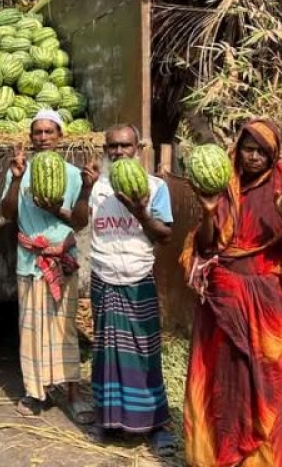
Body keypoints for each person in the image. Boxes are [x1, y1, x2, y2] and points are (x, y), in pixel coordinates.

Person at [180, 118, 282, 467]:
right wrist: (209, 213)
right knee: (225, 377)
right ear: (238, 148)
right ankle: (222, 455)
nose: (253, 157)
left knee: (266, 380)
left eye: (262, 151)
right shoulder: (224, 186)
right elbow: (206, 247)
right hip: (222, 300)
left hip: (265, 302)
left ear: (274, 154)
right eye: (248, 148)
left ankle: (263, 460)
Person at [87, 123, 175, 456]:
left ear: (138, 149)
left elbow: (164, 236)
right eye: (113, 146)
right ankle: (107, 419)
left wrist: (139, 209)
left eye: (126, 146)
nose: (119, 152)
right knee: (106, 354)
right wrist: (84, 190)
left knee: (146, 353)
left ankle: (156, 425)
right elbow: (80, 220)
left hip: (138, 278)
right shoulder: (96, 186)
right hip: (104, 276)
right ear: (105, 149)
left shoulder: (155, 187)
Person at [0, 109, 92, 422]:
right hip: (29, 261)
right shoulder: (19, 170)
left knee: (64, 329)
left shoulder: (72, 174)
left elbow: (80, 222)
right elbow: (9, 213)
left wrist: (62, 205)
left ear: (59, 136)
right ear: (31, 137)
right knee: (31, 330)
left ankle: (73, 391)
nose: (42, 138)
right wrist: (14, 179)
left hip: (61, 260)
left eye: (48, 132)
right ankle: (35, 391)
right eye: (37, 133)